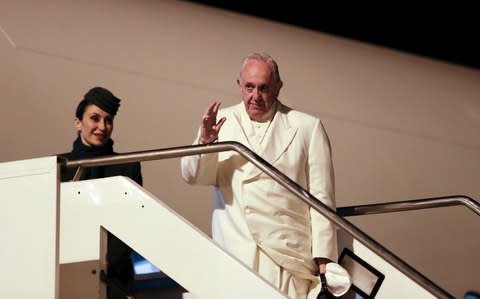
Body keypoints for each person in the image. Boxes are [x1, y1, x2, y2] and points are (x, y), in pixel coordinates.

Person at [181, 53, 349, 298]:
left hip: (286, 256)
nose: (255, 96)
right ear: (239, 85)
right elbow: (193, 176)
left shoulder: (306, 127)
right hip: (236, 251)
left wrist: (324, 260)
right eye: (249, 87)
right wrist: (205, 142)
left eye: (264, 88)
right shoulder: (220, 124)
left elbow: (322, 198)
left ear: (278, 88)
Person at [60, 86, 142, 298]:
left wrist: (108, 259)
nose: (102, 126)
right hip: (67, 269)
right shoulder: (58, 167)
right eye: (94, 118)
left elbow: (132, 221)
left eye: (108, 120)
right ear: (78, 122)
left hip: (114, 277)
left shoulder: (127, 166)